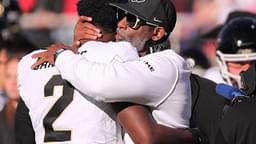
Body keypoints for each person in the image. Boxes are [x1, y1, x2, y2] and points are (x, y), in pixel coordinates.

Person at [16, 0, 192, 144]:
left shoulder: (31, 61)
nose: (122, 25)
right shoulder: (120, 55)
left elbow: (102, 83)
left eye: (131, 20)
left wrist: (66, 52)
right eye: (120, 16)